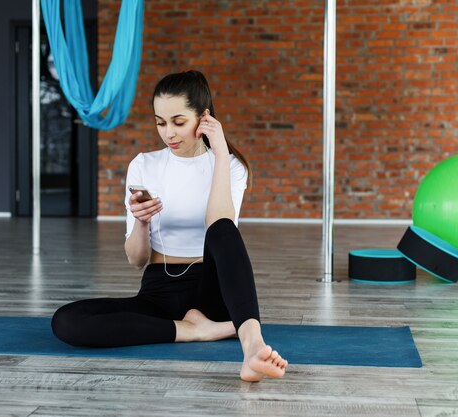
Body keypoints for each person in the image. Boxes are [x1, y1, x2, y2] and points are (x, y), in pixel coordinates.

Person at [51, 70, 287, 382]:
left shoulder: (230, 165)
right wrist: (141, 222)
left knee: (223, 229)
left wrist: (219, 153)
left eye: (178, 122)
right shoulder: (143, 165)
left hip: (210, 291)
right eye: (160, 122)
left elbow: (220, 224)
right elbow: (136, 260)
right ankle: (193, 331)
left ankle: (252, 346)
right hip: (158, 289)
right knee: (66, 321)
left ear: (203, 118)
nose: (168, 133)